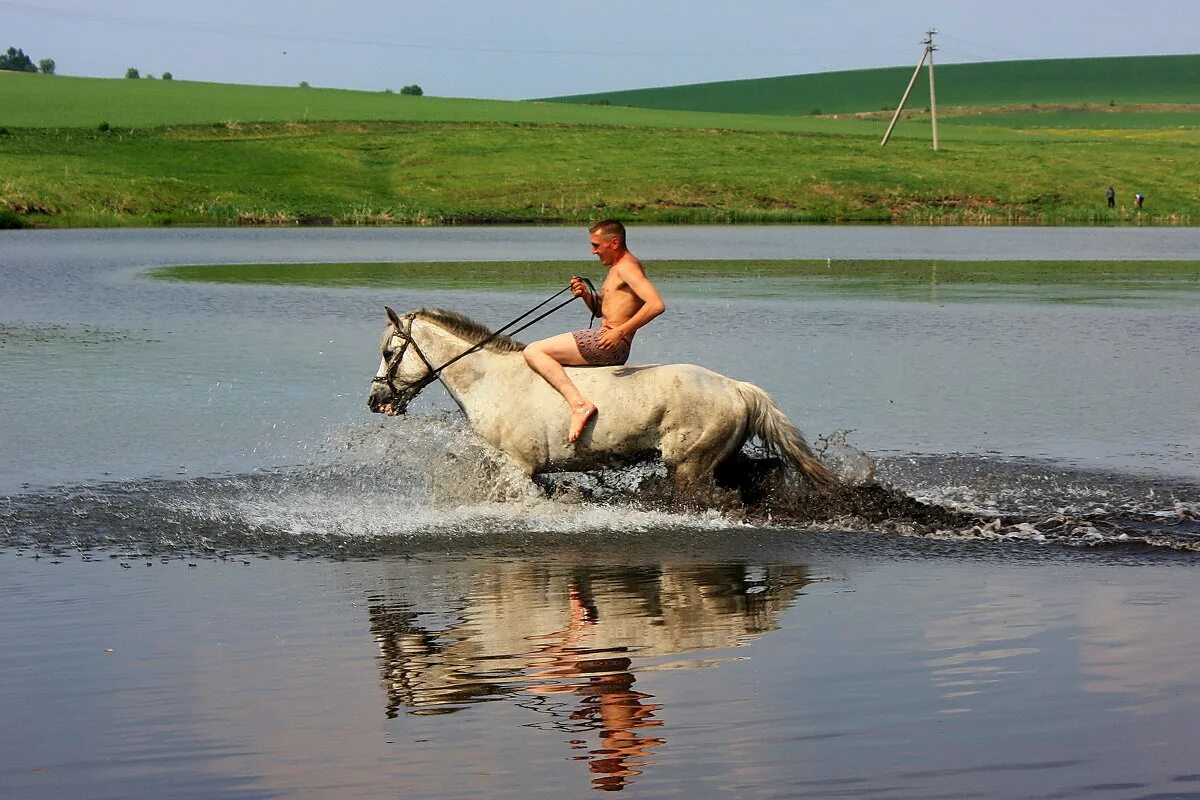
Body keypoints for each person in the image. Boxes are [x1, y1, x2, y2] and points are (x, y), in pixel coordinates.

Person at [523, 219, 666, 442]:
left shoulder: (627, 267)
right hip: (609, 338)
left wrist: (619, 332)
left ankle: (579, 405)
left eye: (596, 245)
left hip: (609, 342)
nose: (593, 251)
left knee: (533, 351)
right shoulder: (617, 269)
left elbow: (656, 304)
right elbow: (603, 311)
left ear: (615, 243)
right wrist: (585, 295)